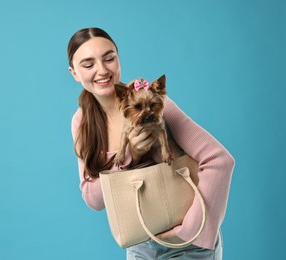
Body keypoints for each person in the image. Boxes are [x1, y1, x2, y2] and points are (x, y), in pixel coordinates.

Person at [68, 27, 235, 260]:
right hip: (140, 243)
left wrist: (192, 230)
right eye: (88, 65)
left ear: (118, 59)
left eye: (109, 58)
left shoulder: (153, 103)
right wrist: (130, 158)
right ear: (74, 73)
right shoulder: (82, 122)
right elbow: (93, 198)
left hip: (188, 242)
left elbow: (220, 160)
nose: (102, 70)